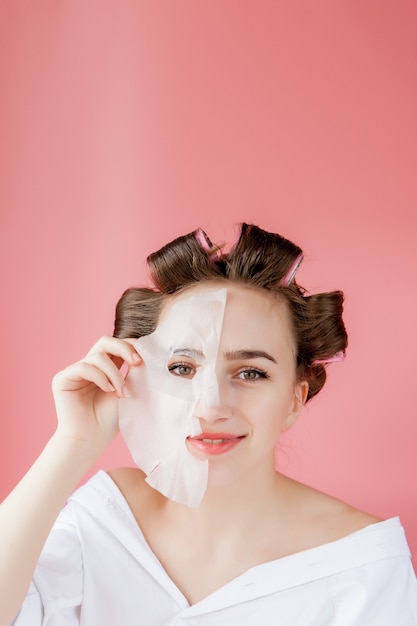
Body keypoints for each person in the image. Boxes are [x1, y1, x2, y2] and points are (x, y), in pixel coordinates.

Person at [1, 223, 416, 625]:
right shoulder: (107, 517)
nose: (210, 406)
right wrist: (72, 443)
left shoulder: (362, 563)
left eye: (251, 373)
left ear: (295, 400)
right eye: (182, 368)